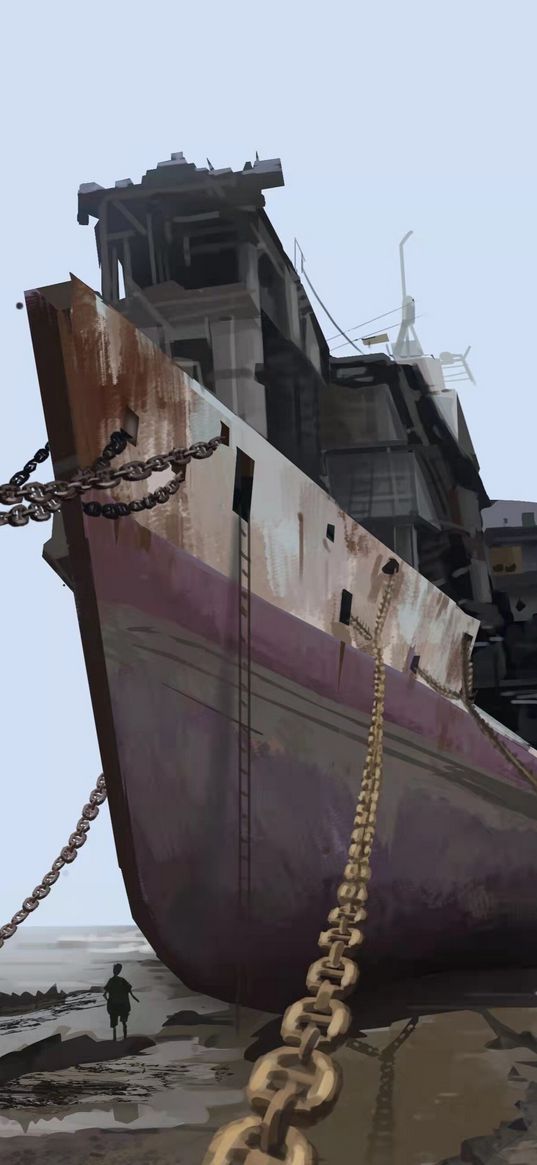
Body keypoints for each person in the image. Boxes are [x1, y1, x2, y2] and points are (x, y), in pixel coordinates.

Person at [103, 962, 139, 1040]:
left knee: (115, 1024)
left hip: (114, 1006)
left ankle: (115, 1039)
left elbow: (105, 994)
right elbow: (129, 989)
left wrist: (109, 1001)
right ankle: (124, 1038)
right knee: (123, 1023)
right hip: (122, 1005)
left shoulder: (112, 980)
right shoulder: (122, 980)